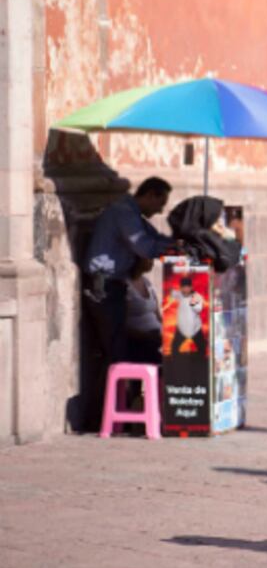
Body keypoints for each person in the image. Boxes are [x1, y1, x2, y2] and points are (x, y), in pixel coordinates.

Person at [83, 176, 174, 430]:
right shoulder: (123, 212)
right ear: (150, 195)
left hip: (114, 286)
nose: (160, 211)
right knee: (115, 354)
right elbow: (144, 247)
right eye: (160, 203)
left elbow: (155, 238)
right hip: (103, 288)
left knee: (122, 351)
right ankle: (100, 419)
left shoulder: (135, 216)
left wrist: (178, 244)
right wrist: (171, 249)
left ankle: (126, 413)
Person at [124, 257, 163, 365]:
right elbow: (122, 325)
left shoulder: (147, 283)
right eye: (149, 258)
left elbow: (158, 316)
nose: (152, 262)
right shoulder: (125, 285)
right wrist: (147, 336)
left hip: (156, 336)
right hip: (139, 340)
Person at [169, 276, 207, 356]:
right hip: (181, 329)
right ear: (181, 288)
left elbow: (198, 309)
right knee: (174, 349)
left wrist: (192, 301)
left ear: (191, 287)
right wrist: (170, 288)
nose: (186, 289)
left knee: (202, 350)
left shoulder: (197, 296)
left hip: (195, 329)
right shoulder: (179, 294)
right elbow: (172, 292)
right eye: (183, 287)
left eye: (187, 287)